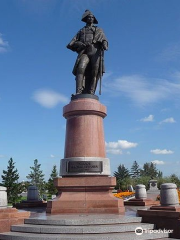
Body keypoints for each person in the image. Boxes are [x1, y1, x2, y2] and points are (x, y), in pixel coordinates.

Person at [67, 10, 108, 95]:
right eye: (89, 17)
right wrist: (80, 44)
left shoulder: (98, 29)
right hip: (84, 52)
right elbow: (71, 43)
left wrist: (104, 44)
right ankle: (79, 91)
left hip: (95, 52)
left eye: (92, 17)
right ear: (86, 19)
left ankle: (91, 91)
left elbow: (104, 38)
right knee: (80, 69)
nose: (91, 18)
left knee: (95, 72)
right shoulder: (81, 31)